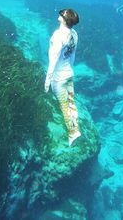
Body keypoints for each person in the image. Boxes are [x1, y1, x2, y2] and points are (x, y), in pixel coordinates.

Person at [45, 9, 81, 146]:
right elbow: (72, 56)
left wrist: (48, 80)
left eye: (62, 14)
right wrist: (70, 69)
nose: (60, 14)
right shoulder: (74, 34)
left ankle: (72, 133)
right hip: (69, 74)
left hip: (58, 78)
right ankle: (76, 129)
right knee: (71, 102)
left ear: (65, 20)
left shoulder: (58, 35)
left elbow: (53, 59)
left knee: (64, 106)